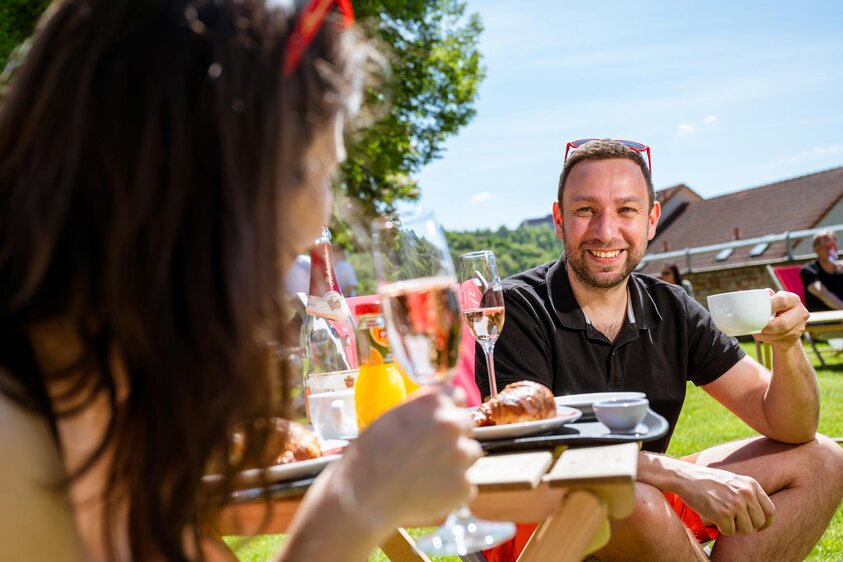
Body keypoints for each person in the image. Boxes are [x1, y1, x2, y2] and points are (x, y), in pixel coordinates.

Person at [0, 1, 480, 561]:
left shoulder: (106, 400)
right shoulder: (14, 442)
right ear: (206, 191)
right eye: (321, 174)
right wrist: (356, 505)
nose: (311, 232)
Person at [476, 139, 843, 561]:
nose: (606, 230)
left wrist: (787, 346)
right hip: (536, 522)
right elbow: (533, 450)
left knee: (823, 460)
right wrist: (674, 472)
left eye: (626, 210)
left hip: (639, 498)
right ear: (559, 220)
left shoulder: (671, 307)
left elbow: (792, 427)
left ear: (652, 219)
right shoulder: (514, 306)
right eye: (585, 210)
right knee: (637, 502)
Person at [801, 230, 843, 311]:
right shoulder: (809, 271)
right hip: (821, 320)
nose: (831, 250)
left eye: (833, 245)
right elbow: (823, 295)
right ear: (816, 249)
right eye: (826, 247)